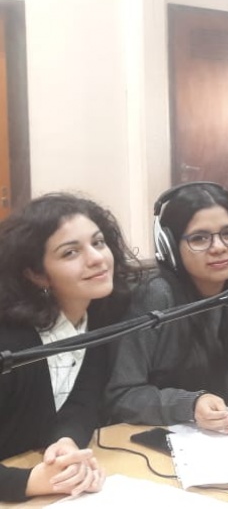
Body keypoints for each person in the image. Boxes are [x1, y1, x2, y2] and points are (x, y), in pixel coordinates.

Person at [105, 182, 228, 433]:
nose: (219, 247)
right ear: (170, 247)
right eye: (200, 238)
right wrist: (189, 405)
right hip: (173, 447)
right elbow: (123, 395)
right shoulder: (157, 297)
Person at [0, 193, 139, 502]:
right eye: (70, 253)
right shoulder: (9, 342)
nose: (96, 258)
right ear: (36, 274)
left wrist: (66, 441)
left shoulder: (99, 317)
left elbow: (83, 401)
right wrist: (28, 482)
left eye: (98, 242)